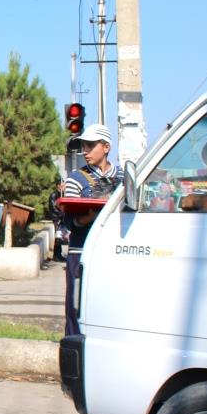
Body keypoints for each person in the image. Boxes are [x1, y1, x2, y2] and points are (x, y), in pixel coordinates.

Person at [62, 124, 123, 337]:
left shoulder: (125, 179)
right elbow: (69, 222)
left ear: (106, 147)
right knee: (77, 308)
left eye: (90, 145)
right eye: (83, 146)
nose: (85, 151)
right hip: (81, 252)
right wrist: (92, 216)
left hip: (115, 252)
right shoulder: (75, 179)